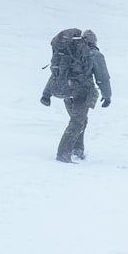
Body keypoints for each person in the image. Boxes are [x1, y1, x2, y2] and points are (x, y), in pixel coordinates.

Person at [40, 29, 112, 163]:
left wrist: (46, 94)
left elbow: (57, 74)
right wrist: (107, 96)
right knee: (77, 122)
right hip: (82, 92)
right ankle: (63, 154)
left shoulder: (69, 54)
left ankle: (77, 150)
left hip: (66, 90)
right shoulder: (94, 54)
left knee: (80, 120)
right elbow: (102, 78)